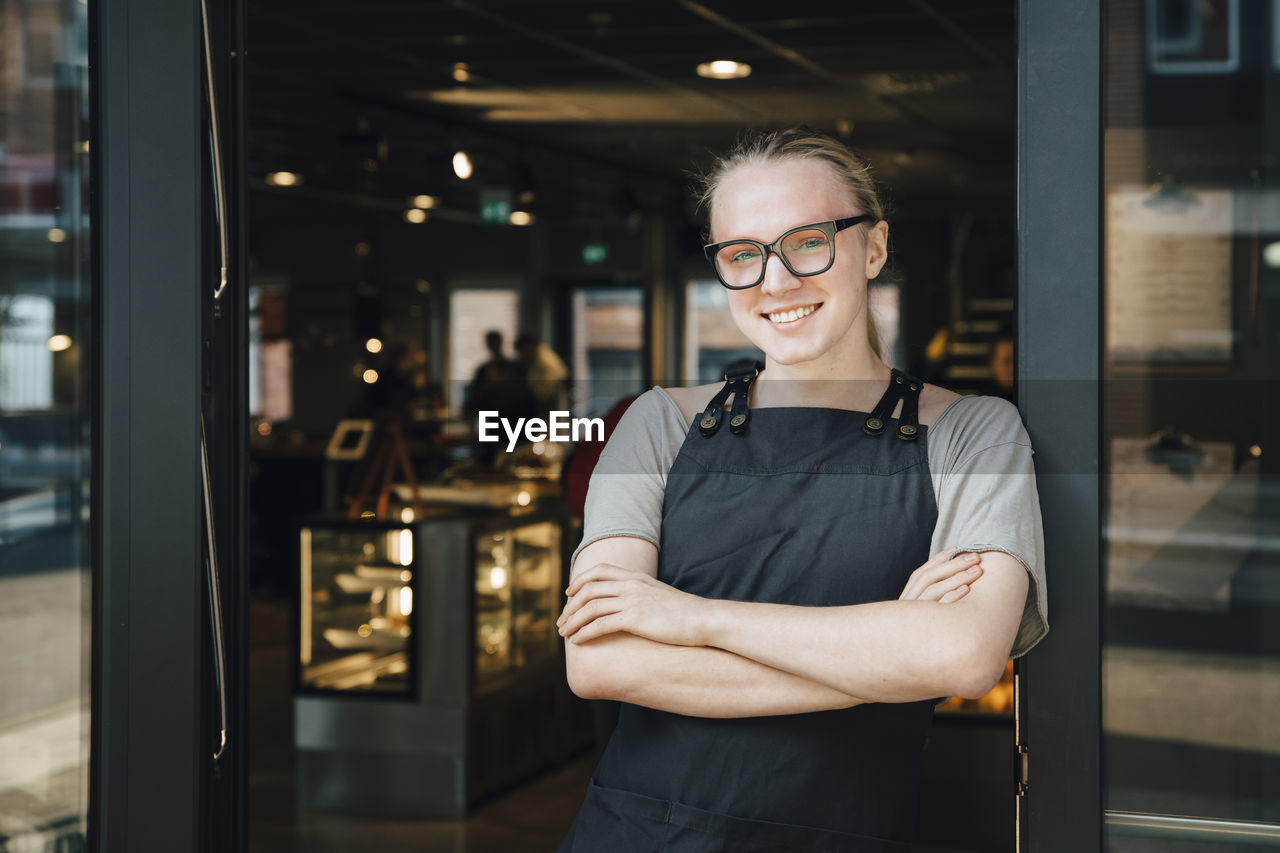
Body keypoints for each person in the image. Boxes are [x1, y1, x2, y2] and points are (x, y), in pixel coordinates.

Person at [554, 128, 1047, 851]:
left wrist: (691, 619)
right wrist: (889, 659)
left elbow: (964, 656)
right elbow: (600, 660)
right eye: (743, 255)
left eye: (808, 240)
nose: (775, 282)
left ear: (873, 247)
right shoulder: (655, 424)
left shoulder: (974, 431)